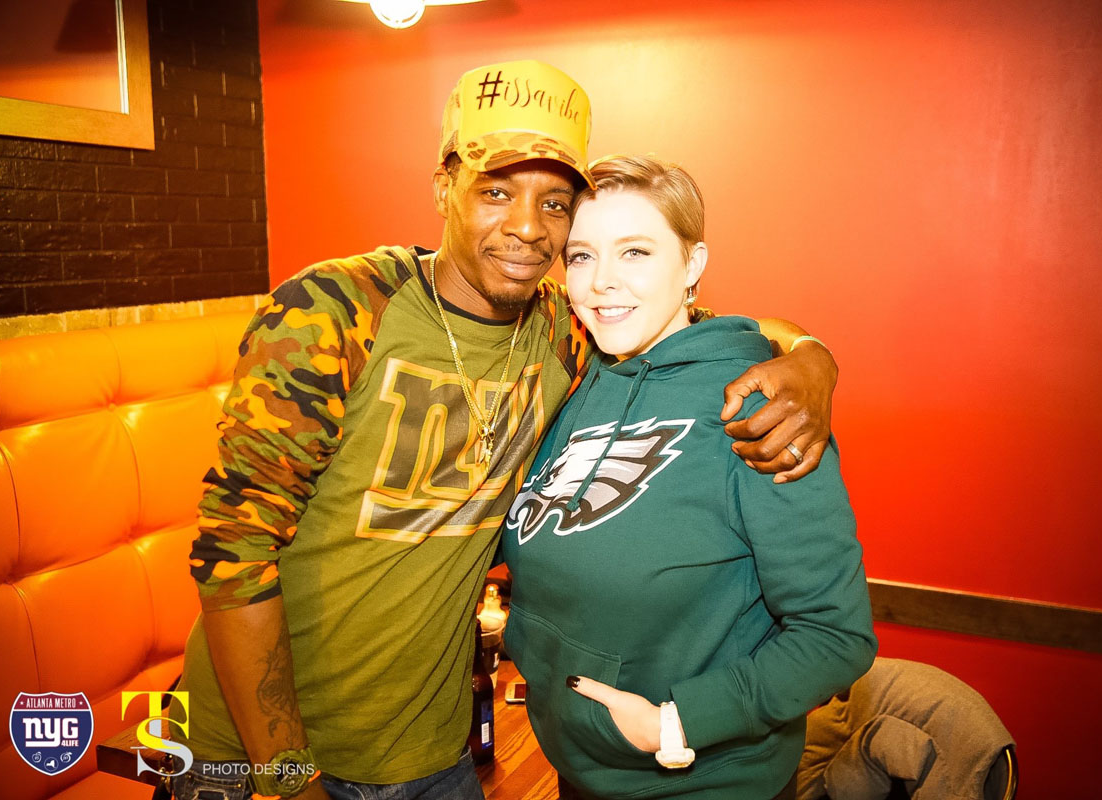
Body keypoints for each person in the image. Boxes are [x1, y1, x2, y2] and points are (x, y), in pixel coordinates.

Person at [170, 61, 840, 800]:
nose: (526, 226)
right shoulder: (338, 308)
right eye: (495, 191)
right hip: (257, 755)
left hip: (429, 750)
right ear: (443, 187)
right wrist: (285, 778)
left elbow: (692, 326)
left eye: (555, 203)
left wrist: (812, 358)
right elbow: (233, 550)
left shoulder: (566, 328)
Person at [501, 155, 877, 800]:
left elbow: (834, 636)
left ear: (692, 264)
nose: (602, 282)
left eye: (636, 252)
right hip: (574, 766)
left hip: (701, 781)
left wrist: (675, 723)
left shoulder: (758, 407)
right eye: (583, 256)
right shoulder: (574, 375)